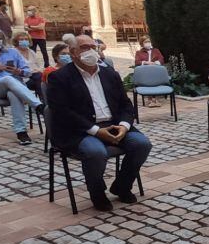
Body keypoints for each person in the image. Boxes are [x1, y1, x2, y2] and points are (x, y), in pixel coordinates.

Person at [45, 35, 152, 212]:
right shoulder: (60, 78)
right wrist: (95, 131)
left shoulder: (110, 74)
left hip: (114, 125)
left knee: (142, 144)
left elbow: (125, 105)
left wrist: (124, 126)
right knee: (95, 152)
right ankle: (97, 192)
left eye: (93, 47)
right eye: (84, 48)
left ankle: (122, 186)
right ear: (73, 53)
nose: (91, 51)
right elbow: (62, 112)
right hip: (79, 130)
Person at [134, 35, 166, 108]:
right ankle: (150, 99)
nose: (148, 43)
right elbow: (137, 62)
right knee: (148, 78)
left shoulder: (156, 50)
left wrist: (155, 63)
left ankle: (156, 99)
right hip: (145, 72)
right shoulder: (138, 52)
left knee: (156, 78)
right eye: (146, 42)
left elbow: (162, 59)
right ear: (142, 44)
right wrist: (145, 62)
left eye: (149, 41)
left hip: (155, 70)